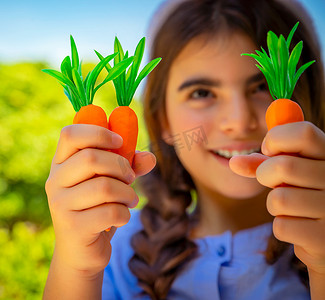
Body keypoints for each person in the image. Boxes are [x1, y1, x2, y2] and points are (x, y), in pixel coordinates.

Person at [43, 0, 325, 299]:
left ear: (310, 100)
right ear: (163, 119)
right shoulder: (114, 251)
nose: (239, 122)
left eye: (263, 86)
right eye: (202, 93)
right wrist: (77, 269)